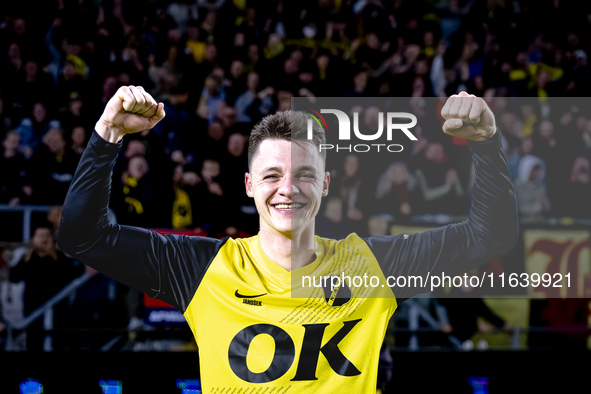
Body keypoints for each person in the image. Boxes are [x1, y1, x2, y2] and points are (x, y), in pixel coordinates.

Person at [58, 87, 518, 392]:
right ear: (249, 185)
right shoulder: (202, 268)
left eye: (304, 175)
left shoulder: (372, 266)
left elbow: (491, 234)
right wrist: (108, 134)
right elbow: (81, 236)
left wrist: (485, 142)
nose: (288, 188)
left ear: (325, 184)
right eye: (272, 174)